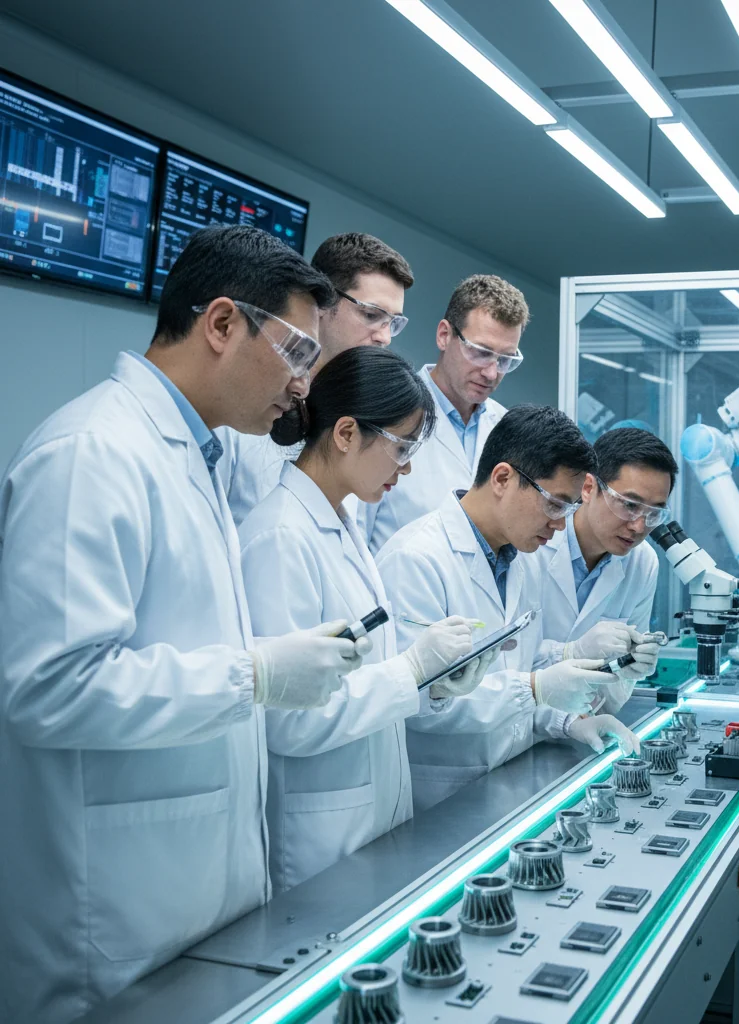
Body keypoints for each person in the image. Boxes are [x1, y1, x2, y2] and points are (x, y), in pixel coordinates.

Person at [0, 226, 370, 1024]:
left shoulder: (199, 457)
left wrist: (253, 669)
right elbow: (46, 689)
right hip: (108, 920)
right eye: (297, 351)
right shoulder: (92, 452)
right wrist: (253, 675)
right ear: (223, 324)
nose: (303, 385)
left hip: (188, 901)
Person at [239, 347, 495, 891]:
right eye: (402, 447)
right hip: (318, 835)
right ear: (347, 432)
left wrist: (430, 682)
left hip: (371, 813)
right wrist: (409, 672)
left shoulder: (341, 519)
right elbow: (288, 719)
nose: (407, 468)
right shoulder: (281, 536)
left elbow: (364, 673)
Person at [377, 405, 640, 810]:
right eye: (555, 504)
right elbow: (420, 701)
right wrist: (534, 688)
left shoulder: (522, 559)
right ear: (502, 478)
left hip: (506, 783)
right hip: (438, 795)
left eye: (570, 509)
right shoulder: (416, 560)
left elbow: (518, 666)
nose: (560, 525)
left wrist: (567, 720)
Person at [219, 232, 416, 523]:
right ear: (323, 302)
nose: (385, 337)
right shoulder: (246, 408)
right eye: (371, 314)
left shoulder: (361, 429)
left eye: (393, 322)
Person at [362, 274, 527, 553]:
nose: (491, 373)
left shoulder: (508, 428)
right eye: (481, 352)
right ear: (444, 335)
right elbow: (355, 531)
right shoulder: (384, 410)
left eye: (505, 360)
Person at [535, 428, 679, 713]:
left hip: (583, 726)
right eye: (629, 505)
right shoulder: (534, 543)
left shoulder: (643, 563)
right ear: (589, 488)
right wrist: (570, 653)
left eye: (654, 513)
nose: (639, 526)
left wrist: (628, 666)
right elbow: (504, 657)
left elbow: (615, 693)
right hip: (513, 724)